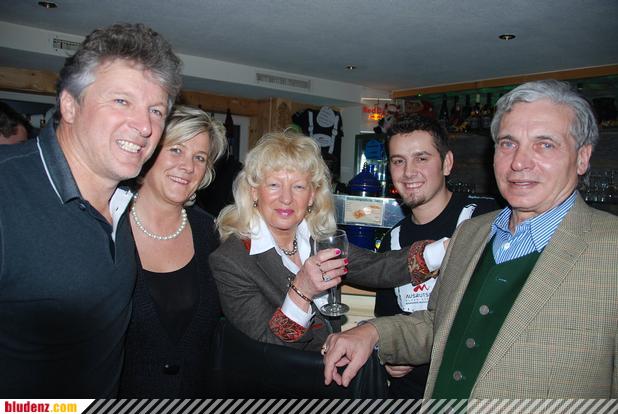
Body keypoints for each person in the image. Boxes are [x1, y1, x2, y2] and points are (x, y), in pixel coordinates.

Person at [323, 80, 618, 399]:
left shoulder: (610, 250)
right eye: (508, 143)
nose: (519, 162)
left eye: (545, 144)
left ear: (582, 157)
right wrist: (372, 333)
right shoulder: (472, 234)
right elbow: (439, 323)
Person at [0, 23, 182, 397]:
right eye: (121, 101)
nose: (145, 126)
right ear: (70, 105)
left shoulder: (125, 202)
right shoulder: (6, 191)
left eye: (156, 110)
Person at [209, 132, 419, 352]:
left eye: (298, 186)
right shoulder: (231, 260)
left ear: (311, 196)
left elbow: (377, 266)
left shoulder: (318, 239)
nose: (286, 198)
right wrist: (302, 290)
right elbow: (270, 346)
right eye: (274, 185)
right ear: (254, 192)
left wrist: (440, 251)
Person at [374, 115, 498, 398]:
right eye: (398, 161)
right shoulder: (392, 239)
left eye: (421, 158)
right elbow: (390, 320)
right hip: (408, 395)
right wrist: (392, 355)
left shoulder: (485, 220)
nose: (409, 172)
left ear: (447, 163)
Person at [119, 106, 227, 397]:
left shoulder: (212, 233)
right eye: (176, 150)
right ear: (149, 153)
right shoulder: (107, 227)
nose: (188, 166)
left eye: (199, 157)